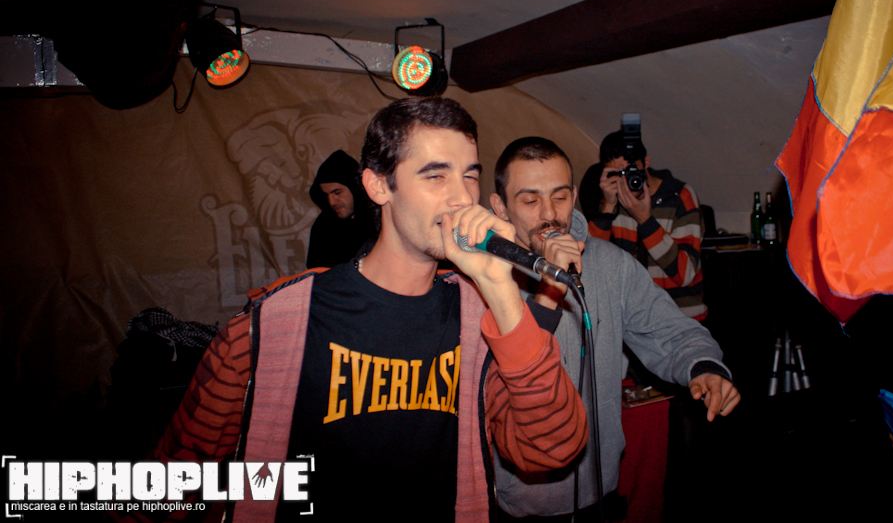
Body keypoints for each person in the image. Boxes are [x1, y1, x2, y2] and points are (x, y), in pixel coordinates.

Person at [139, 100, 587, 523]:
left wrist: (500, 289)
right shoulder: (275, 322)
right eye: (436, 175)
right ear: (377, 185)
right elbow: (173, 475)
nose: (461, 198)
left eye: (469, 175)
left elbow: (552, 447)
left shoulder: (478, 320)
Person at [488, 136, 739, 520]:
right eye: (530, 200)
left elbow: (670, 330)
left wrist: (703, 366)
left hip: (600, 492)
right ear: (500, 207)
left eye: (560, 196)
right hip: (522, 502)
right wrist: (547, 292)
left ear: (574, 195)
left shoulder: (611, 264)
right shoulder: (485, 278)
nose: (549, 214)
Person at [589, 129, 707, 320]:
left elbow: (686, 274)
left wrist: (645, 221)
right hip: (634, 320)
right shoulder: (612, 201)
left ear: (646, 162)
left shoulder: (680, 197)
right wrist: (608, 206)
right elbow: (591, 263)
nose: (625, 180)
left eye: (631, 171)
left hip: (681, 318)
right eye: (618, 173)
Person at [306, 149, 375, 268]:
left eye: (337, 192)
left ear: (355, 188)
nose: (332, 202)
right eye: (326, 195)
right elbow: (316, 270)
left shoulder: (379, 220)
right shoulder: (324, 225)